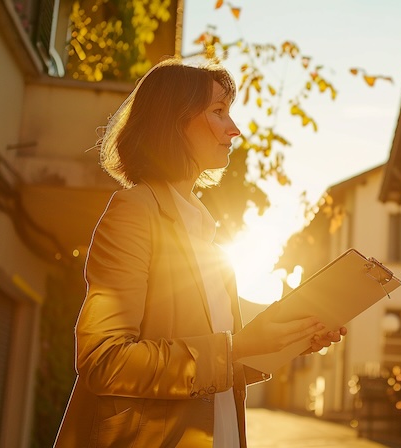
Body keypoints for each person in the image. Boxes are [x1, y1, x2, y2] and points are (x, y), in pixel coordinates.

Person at [54, 57, 345, 447]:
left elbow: (214, 368)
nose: (234, 129)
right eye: (219, 111)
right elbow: (104, 361)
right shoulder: (135, 211)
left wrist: (285, 340)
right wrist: (237, 346)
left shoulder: (205, 233)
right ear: (174, 121)